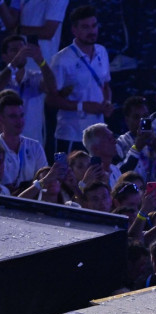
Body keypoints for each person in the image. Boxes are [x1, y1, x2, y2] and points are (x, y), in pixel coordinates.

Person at [49, 6, 113, 156]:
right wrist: (81, 106)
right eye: (85, 27)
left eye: (94, 26)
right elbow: (51, 99)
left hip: (98, 135)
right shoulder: (61, 60)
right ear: (74, 30)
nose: (92, 31)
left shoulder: (102, 52)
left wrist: (108, 102)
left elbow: (105, 85)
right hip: (71, 134)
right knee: (68, 178)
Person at [0, 35, 57, 145]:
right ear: (4, 57)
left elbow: (52, 89)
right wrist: (14, 62)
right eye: (14, 50)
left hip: (33, 143)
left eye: (22, 49)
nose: (20, 53)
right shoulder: (3, 78)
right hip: (4, 144)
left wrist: (41, 61)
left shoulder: (35, 77)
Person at [0, 93, 47, 193]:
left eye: (21, 115)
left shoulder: (35, 146)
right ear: (1, 118)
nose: (19, 121)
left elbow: (44, 181)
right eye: (13, 116)